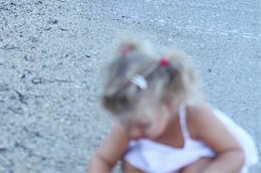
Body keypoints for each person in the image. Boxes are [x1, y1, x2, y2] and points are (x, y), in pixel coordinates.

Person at [88, 40, 258, 173]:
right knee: (132, 163)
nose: (133, 133)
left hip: (199, 162)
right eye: (125, 123)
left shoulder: (195, 114)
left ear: (168, 102)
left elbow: (234, 153)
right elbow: (103, 159)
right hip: (161, 162)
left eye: (144, 125)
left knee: (196, 168)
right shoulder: (133, 119)